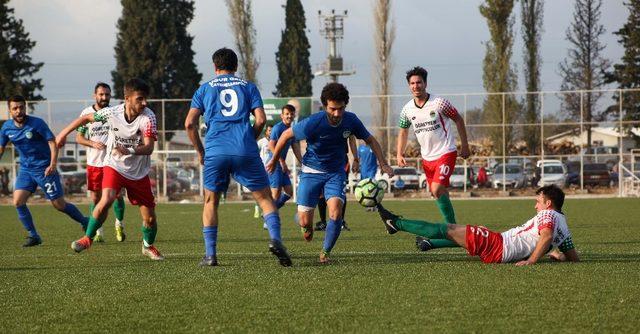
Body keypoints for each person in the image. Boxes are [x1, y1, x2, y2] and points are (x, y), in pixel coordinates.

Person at [185, 47, 291, 267]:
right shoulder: (248, 87)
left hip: (215, 151)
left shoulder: (204, 89)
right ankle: (276, 240)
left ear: (215, 67)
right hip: (245, 149)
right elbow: (261, 120)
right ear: (236, 67)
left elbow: (189, 123)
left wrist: (200, 151)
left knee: (210, 202)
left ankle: (210, 255)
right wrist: (249, 140)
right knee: (264, 199)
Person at [267, 82, 393, 264]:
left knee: (335, 212)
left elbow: (370, 140)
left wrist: (383, 163)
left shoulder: (351, 120)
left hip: (336, 173)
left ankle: (325, 252)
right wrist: (273, 160)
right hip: (311, 171)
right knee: (304, 222)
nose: (337, 114)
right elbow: (286, 135)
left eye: (340, 109)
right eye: (333, 109)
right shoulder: (313, 122)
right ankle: (305, 225)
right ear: (325, 106)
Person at [56, 78, 164, 261]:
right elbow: (85, 119)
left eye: (145, 99)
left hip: (138, 173)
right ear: (127, 98)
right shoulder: (111, 113)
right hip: (114, 165)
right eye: (140, 99)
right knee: (105, 199)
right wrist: (61, 134)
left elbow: (149, 148)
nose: (144, 103)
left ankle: (147, 246)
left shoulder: (149, 117)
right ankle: (87, 238)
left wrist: (128, 150)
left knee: (150, 219)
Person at [377, 185, 580, 265]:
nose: (535, 205)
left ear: (548, 203)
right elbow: (573, 258)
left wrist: (532, 261)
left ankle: (395, 223)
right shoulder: (563, 225)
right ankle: (429, 243)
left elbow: (545, 236)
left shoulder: (548, 215)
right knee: (460, 232)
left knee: (445, 229)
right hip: (500, 244)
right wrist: (557, 255)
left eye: (538, 201)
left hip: (499, 247)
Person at [397, 66, 470, 251]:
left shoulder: (439, 103)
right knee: (437, 193)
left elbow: (458, 119)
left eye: (419, 82)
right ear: (409, 86)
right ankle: (454, 233)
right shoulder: (407, 109)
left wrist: (465, 145)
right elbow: (403, 131)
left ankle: (453, 233)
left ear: (425, 83)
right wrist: (400, 152)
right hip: (427, 159)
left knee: (437, 189)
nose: (416, 86)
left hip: (446, 152)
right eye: (412, 83)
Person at [0, 95, 88, 247]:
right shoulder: (7, 128)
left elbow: (52, 142)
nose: (19, 111)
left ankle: (85, 221)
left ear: (25, 107)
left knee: (59, 205)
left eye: (21, 107)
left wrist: (52, 164)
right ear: (10, 111)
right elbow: (1, 148)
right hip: (26, 170)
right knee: (18, 201)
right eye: (15, 108)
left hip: (45, 169)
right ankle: (34, 236)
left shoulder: (36, 123)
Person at [75, 82, 127, 243]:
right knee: (95, 199)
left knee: (117, 196)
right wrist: (92, 143)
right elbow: (79, 137)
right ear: (95, 95)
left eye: (107, 95)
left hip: (112, 162)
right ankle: (98, 230)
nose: (104, 97)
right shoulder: (86, 113)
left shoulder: (114, 113)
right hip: (94, 164)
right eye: (101, 94)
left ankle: (119, 224)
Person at [268, 104, 302, 209]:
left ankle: (268, 213)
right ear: (282, 116)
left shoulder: (293, 130)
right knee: (276, 192)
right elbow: (271, 146)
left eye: (291, 114)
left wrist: (302, 162)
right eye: (286, 114)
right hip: (274, 164)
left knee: (289, 192)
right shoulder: (278, 128)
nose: (289, 116)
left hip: (282, 164)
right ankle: (268, 219)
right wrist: (281, 161)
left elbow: (295, 147)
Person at [254, 124, 273, 220]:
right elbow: (254, 151)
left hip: (272, 170)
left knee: (270, 192)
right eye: (269, 130)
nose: (271, 132)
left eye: (272, 130)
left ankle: (265, 210)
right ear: (266, 131)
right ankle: (257, 207)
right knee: (261, 191)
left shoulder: (275, 142)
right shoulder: (261, 142)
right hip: (262, 170)